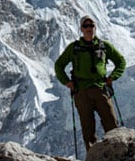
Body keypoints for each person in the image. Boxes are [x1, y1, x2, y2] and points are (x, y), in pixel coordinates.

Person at [54, 14, 126, 152]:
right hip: (81, 92)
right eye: (85, 26)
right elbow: (59, 65)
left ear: (95, 27)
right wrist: (67, 82)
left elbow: (121, 61)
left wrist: (112, 77)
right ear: (81, 29)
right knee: (88, 129)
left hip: (100, 88)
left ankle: (116, 154)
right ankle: (94, 160)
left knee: (111, 123)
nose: (88, 28)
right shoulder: (74, 48)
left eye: (91, 25)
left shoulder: (104, 46)